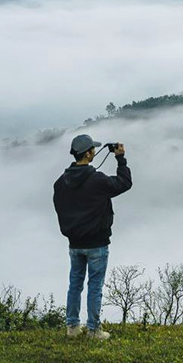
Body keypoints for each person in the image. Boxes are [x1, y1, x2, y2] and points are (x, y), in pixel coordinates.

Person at [52, 134, 132, 339]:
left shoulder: (60, 183)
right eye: (93, 149)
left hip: (74, 243)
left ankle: (72, 327)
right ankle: (94, 329)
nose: (95, 151)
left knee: (75, 284)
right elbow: (124, 183)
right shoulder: (97, 180)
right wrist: (120, 158)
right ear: (88, 153)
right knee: (94, 286)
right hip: (97, 242)